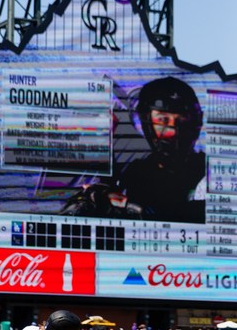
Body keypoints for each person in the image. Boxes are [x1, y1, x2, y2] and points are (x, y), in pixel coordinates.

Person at [61, 76, 206, 223]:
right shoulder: (134, 173)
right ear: (147, 122)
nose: (173, 131)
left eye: (182, 120)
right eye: (162, 120)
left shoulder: (207, 176)